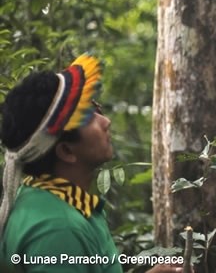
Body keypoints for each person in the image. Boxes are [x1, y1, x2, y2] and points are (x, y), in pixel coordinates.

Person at [0, 55, 182, 273]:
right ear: (66, 151)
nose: (106, 122)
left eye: (96, 109)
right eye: (88, 117)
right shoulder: (59, 230)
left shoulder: (44, 195)